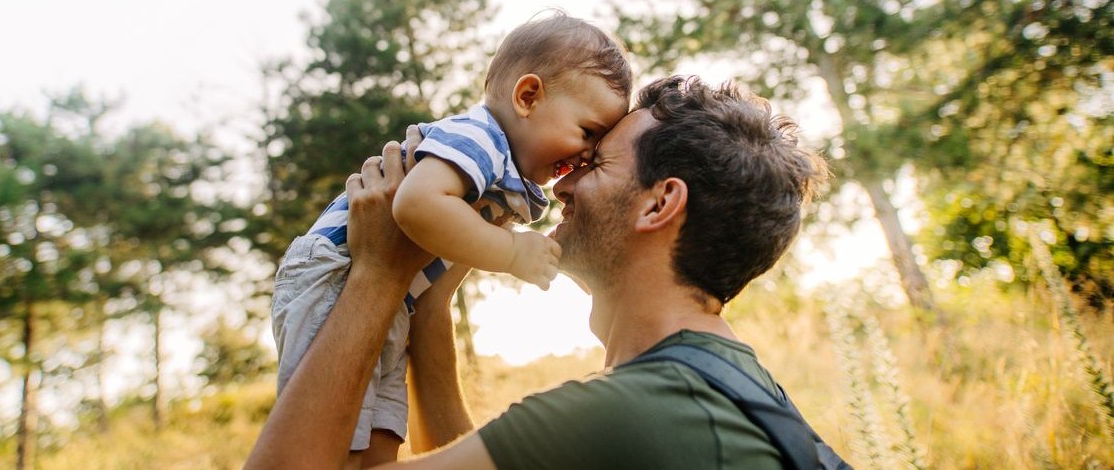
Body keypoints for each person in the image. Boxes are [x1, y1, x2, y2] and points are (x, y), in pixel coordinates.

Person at [246, 75, 831, 469]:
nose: (563, 182)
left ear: (659, 204)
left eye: (595, 162)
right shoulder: (738, 389)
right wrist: (427, 302)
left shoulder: (624, 413)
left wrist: (376, 272)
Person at [269, 11, 633, 465]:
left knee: (382, 436)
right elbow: (415, 204)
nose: (585, 156)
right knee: (332, 437)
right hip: (334, 272)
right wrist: (511, 252)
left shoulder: (505, 171)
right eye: (588, 132)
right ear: (528, 96)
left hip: (392, 296)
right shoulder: (478, 138)